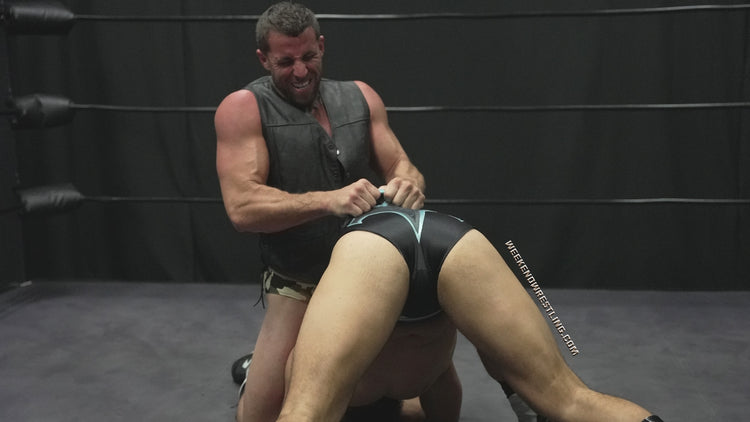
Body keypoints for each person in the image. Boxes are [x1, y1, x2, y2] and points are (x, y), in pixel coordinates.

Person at [214, 2, 428, 421]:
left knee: (413, 399)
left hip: (368, 276)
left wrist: (408, 184)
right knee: (256, 417)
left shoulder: (360, 96)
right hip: (298, 279)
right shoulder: (242, 108)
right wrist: (329, 200)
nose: (300, 71)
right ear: (263, 58)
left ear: (322, 46)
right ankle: (263, 366)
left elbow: (403, 166)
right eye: (285, 62)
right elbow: (242, 208)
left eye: (308, 56)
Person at [276, 202, 666, 422]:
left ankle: (523, 398)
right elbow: (446, 386)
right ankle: (527, 400)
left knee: (306, 408)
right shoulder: (426, 369)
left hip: (372, 247)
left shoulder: (391, 373)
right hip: (448, 233)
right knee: (567, 397)